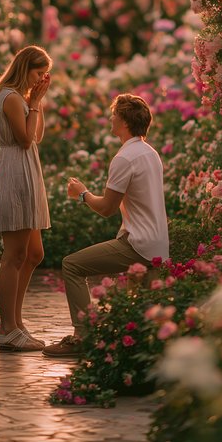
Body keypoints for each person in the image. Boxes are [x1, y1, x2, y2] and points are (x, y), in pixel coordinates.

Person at [42, 93, 169, 357]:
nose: (110, 118)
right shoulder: (150, 153)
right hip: (158, 243)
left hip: (138, 244)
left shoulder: (125, 157)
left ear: (123, 121)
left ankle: (82, 337)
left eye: (114, 114)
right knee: (143, 323)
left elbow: (107, 209)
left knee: (72, 265)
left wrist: (81, 193)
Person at [0, 45, 52, 352]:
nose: (42, 78)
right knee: (14, 255)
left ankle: (17, 321)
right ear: (25, 68)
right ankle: (7, 328)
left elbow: (36, 136)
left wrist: (36, 102)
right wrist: (35, 102)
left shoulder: (21, 98)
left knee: (34, 253)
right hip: (15, 172)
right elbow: (25, 140)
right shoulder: (10, 97)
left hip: (28, 171)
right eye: (39, 72)